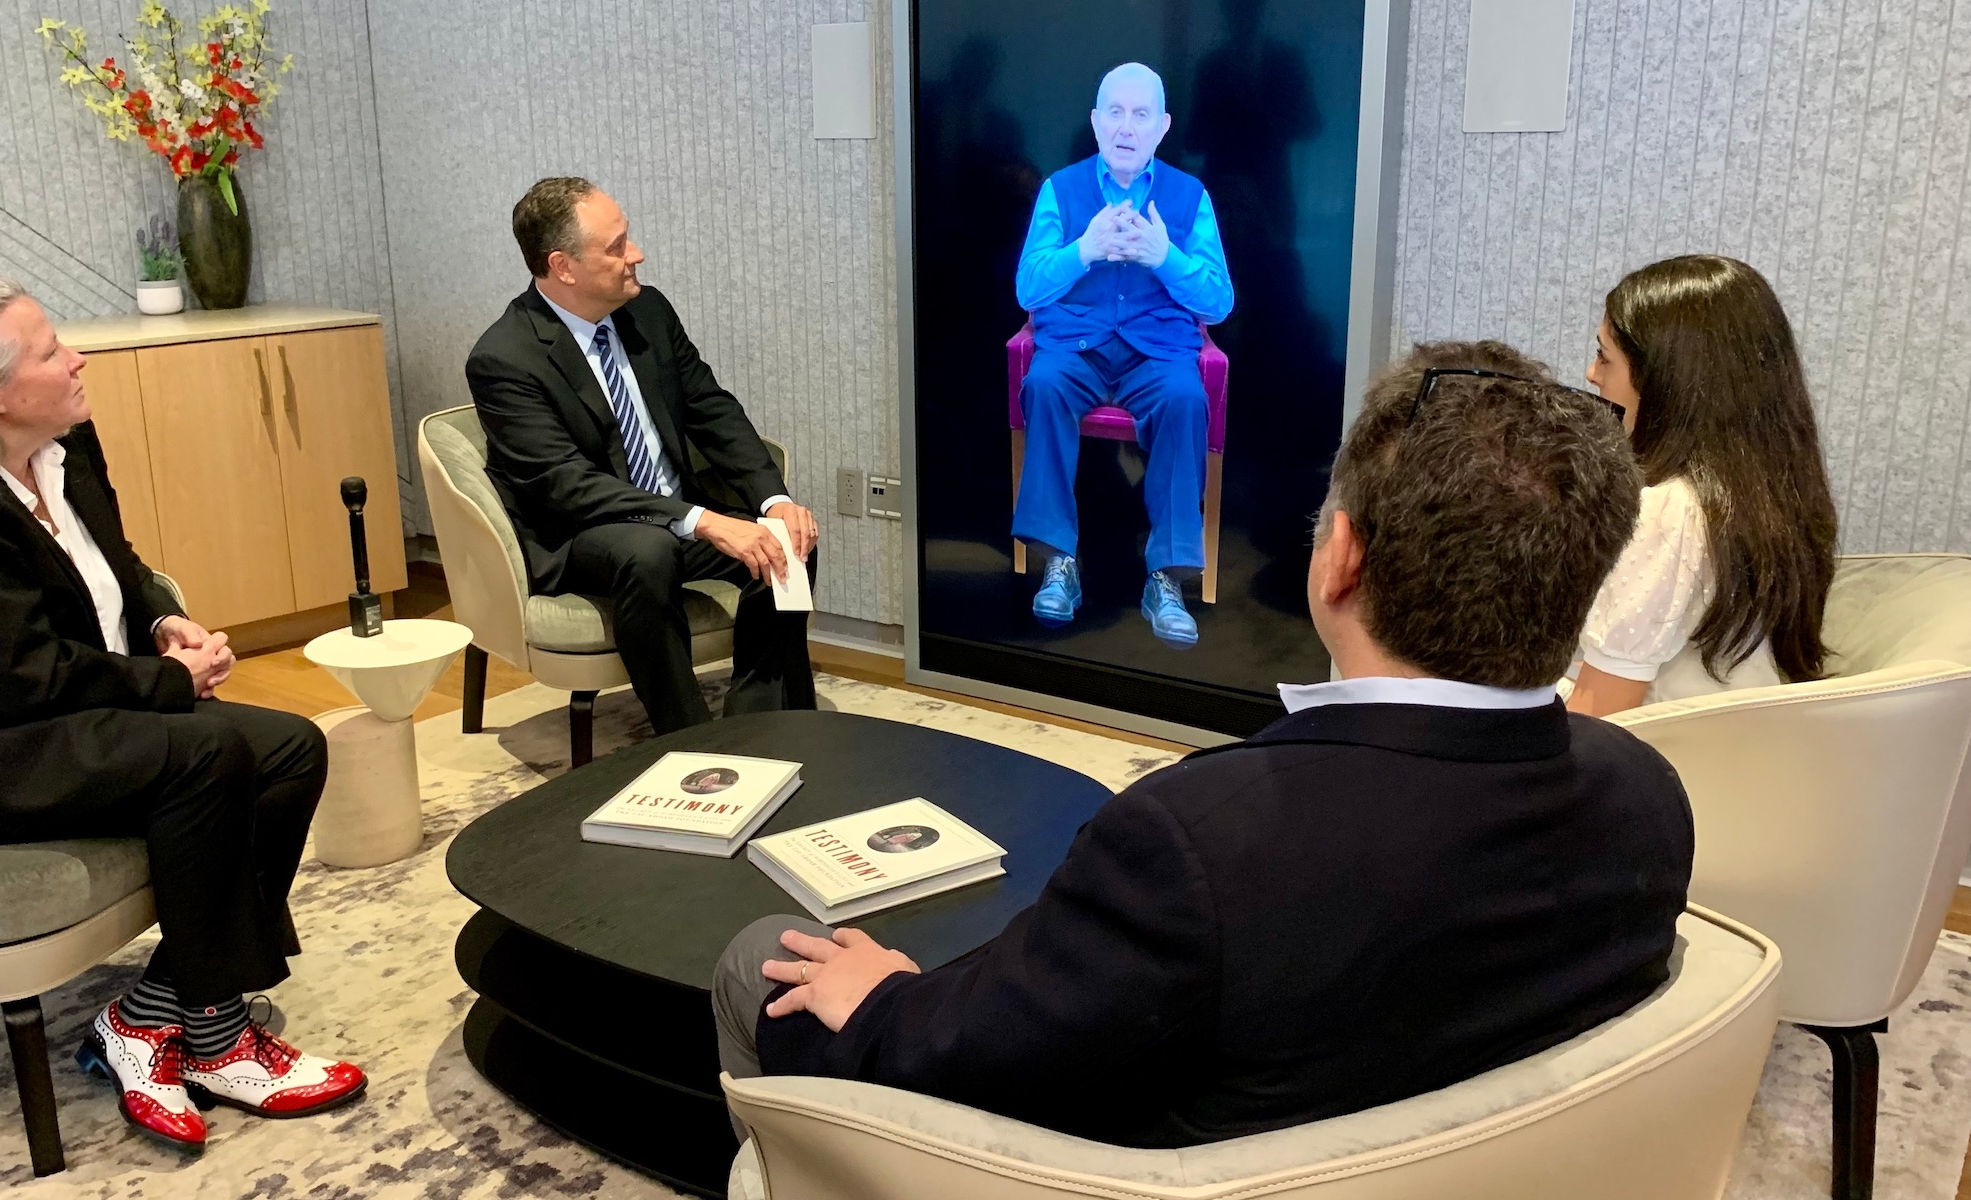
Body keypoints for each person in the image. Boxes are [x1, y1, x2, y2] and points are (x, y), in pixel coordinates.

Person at [712, 341, 1692, 1148]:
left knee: (765, 958)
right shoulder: (1646, 793)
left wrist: (889, 1002)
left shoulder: (1202, 841)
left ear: (1339, 559)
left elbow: (999, 1059)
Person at [0, 274, 365, 1154]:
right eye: (49, 352)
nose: (76, 358)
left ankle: (146, 1015)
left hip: (46, 709)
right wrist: (173, 685)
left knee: (291, 746)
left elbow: (115, 560)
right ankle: (218, 1038)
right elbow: (18, 679)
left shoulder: (64, 442)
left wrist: (156, 617)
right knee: (208, 753)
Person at [467, 177, 818, 733]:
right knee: (648, 550)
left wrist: (774, 501)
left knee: (788, 542)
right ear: (563, 266)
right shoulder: (504, 358)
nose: (637, 254)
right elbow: (566, 485)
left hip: (673, 514)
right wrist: (702, 522)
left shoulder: (648, 311)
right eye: (616, 246)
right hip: (582, 530)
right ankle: (689, 741)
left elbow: (711, 407)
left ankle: (762, 724)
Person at [1012, 62, 1234, 647]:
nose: (1126, 127)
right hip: (1076, 345)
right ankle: (1060, 561)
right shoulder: (1060, 189)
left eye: (1141, 115)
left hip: (1157, 353)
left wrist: (1166, 256)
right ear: (1095, 122)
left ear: (1162, 127)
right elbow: (1028, 288)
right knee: (1045, 383)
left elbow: (1218, 300)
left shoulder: (1191, 198)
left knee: (1187, 397)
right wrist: (1083, 249)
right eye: (1115, 112)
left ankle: (1164, 576)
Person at [1568, 255, 1839, 717]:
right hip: (1730, 751)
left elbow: (1596, 717)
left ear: (1665, 380)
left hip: (1652, 763)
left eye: (1604, 357)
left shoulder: (1670, 513)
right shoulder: (1768, 491)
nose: (1592, 375)